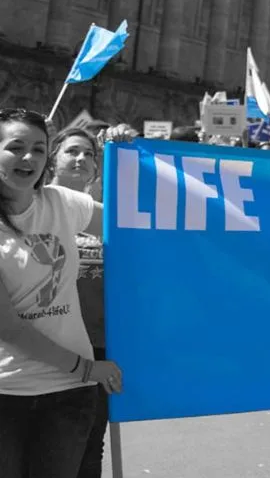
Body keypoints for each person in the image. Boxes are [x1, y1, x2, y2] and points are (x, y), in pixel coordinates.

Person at [0, 109, 124, 478]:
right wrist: (88, 367)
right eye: (15, 147)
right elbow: (10, 328)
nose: (29, 158)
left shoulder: (60, 202)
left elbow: (132, 222)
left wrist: (129, 162)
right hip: (8, 394)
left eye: (39, 149)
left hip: (70, 397)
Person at [44, 128, 109, 478]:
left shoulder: (105, 214)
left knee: (88, 441)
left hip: (97, 345)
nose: (81, 159)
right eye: (71, 151)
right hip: (42, 340)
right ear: (52, 157)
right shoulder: (32, 204)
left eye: (89, 154)